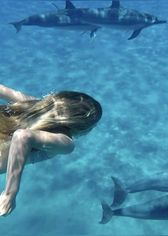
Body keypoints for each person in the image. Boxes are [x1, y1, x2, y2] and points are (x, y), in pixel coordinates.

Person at [0, 84, 102, 216]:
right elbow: (22, 136)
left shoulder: (33, 103)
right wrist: (10, 193)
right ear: (82, 127)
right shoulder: (66, 143)